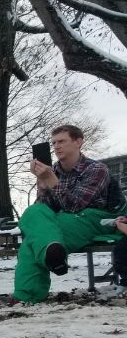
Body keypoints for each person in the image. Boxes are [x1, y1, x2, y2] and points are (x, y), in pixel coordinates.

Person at [14, 124, 119, 302]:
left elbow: (75, 205)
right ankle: (53, 256)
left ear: (78, 141)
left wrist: (52, 181)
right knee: (33, 212)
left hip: (94, 219)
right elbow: (43, 210)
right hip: (61, 219)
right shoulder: (52, 170)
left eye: (62, 141)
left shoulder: (97, 169)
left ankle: (27, 295)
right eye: (54, 143)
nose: (56, 146)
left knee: (34, 240)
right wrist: (43, 185)